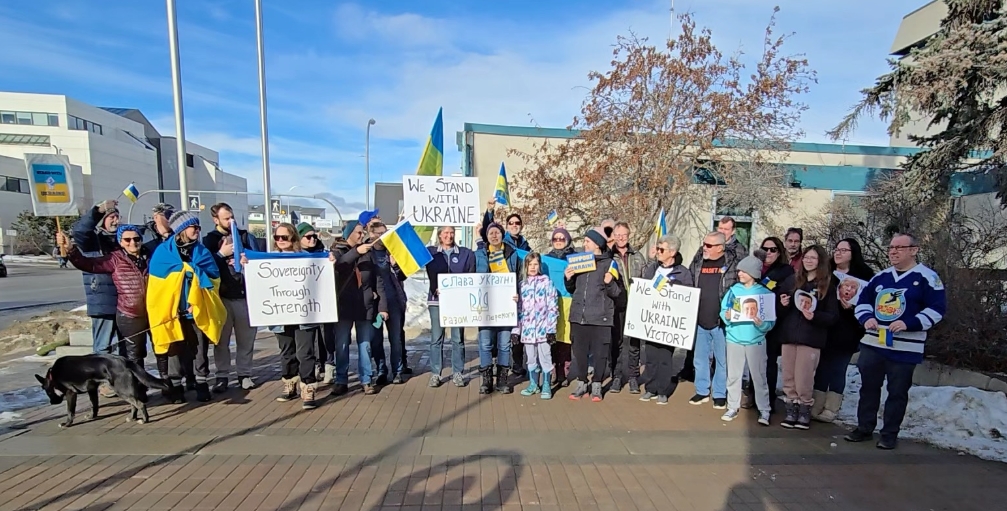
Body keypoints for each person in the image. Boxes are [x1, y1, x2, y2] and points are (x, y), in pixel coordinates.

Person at [845, 234, 946, 450]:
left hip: (905, 349)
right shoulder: (880, 278)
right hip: (874, 344)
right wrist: (866, 317)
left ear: (914, 250)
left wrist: (909, 323)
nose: (893, 251)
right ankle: (864, 428)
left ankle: (889, 434)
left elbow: (937, 309)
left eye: (900, 247)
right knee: (868, 388)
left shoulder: (927, 277)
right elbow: (863, 302)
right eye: (891, 247)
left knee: (897, 392)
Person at [241, 223, 327, 409]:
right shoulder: (268, 260)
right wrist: (247, 265)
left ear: (293, 239)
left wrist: (329, 262)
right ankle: (290, 384)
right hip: (281, 314)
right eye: (277, 237)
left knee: (305, 353)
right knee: (287, 352)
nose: (280, 241)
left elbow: (321, 274)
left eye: (284, 237)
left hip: (304, 315)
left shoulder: (307, 258)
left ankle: (308, 387)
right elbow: (257, 280)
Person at [146, 211, 226, 404]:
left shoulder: (202, 252)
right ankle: (176, 386)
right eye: (193, 227)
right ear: (182, 229)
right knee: (174, 348)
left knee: (199, 348)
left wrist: (198, 300)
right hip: (171, 311)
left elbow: (214, 279)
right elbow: (157, 286)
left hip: (196, 310)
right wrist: (171, 304)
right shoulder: (163, 252)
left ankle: (201, 384)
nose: (197, 231)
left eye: (198, 227)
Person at [58, 225, 152, 369]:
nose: (132, 243)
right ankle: (136, 388)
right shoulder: (115, 259)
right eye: (127, 240)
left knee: (161, 349)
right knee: (133, 355)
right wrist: (71, 249)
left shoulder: (150, 258)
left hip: (153, 312)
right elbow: (88, 264)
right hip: (129, 314)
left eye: (136, 238)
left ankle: (170, 384)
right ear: (120, 242)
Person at [813, 238, 875, 422]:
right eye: (836, 249)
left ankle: (831, 408)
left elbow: (870, 305)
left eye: (843, 250)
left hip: (848, 330)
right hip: (825, 328)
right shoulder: (826, 273)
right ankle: (816, 405)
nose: (838, 253)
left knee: (838, 369)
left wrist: (853, 308)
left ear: (853, 253)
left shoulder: (864, 276)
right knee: (822, 368)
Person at [778, 245, 838, 430]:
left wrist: (815, 317)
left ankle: (804, 410)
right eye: (806, 257)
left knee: (803, 377)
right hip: (790, 336)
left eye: (813, 258)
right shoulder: (793, 281)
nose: (808, 261)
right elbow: (780, 309)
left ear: (820, 261)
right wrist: (783, 303)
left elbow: (833, 316)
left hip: (810, 338)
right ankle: (791, 409)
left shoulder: (827, 285)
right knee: (788, 376)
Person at [203, 203, 259, 392]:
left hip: (245, 296)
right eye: (226, 218)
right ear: (215, 219)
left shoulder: (245, 236)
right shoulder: (209, 241)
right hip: (222, 297)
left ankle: (244, 373)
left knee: (246, 339)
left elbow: (259, 260)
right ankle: (222, 376)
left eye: (232, 217)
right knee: (221, 341)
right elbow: (204, 266)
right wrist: (221, 255)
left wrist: (248, 261)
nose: (231, 221)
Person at [71, 199, 122, 397]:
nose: (115, 220)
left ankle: (122, 380)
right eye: (110, 217)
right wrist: (99, 210)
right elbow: (80, 231)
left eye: (117, 216)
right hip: (102, 299)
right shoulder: (92, 240)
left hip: (125, 300)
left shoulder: (123, 239)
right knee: (103, 344)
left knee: (126, 345)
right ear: (102, 221)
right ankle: (103, 381)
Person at [564, 227, 621, 402]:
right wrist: (568, 278)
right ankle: (582, 383)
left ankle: (597, 384)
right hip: (579, 316)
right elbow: (572, 289)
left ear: (596, 244)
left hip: (600, 317)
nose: (584, 244)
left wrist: (609, 283)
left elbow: (617, 292)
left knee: (600, 353)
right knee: (579, 353)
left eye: (587, 241)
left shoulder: (610, 263)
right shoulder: (579, 261)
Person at [720, 250, 775, 425]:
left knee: (759, 377)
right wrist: (727, 317)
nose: (739, 273)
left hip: (755, 341)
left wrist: (761, 325)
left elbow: (770, 321)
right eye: (739, 271)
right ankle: (732, 406)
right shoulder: (733, 291)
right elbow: (724, 310)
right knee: (733, 375)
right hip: (734, 338)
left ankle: (764, 410)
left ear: (753, 273)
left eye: (743, 271)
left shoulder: (765, 294)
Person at [331, 217, 385, 396]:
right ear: (349, 234)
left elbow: (377, 280)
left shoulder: (368, 253)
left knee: (365, 344)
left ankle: (366, 380)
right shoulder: (337, 250)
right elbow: (339, 266)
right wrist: (356, 252)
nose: (362, 235)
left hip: (364, 305)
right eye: (359, 232)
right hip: (344, 305)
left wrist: (381, 304)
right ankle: (341, 379)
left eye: (363, 232)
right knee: (342, 344)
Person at [687, 231, 740, 409]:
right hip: (700, 319)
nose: (704, 248)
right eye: (704, 244)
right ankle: (702, 390)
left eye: (709, 246)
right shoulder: (698, 261)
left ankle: (719, 393)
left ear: (720, 247)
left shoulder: (732, 263)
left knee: (721, 359)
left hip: (721, 322)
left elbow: (737, 289)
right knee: (700, 359)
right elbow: (689, 281)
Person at [638, 235, 693, 405]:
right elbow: (644, 289)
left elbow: (688, 295)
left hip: (669, 324)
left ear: (672, 252)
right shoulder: (653, 268)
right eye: (658, 248)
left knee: (665, 358)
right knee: (651, 357)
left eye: (661, 250)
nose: (658, 252)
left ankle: (663, 390)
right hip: (652, 321)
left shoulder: (682, 272)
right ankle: (650, 388)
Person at [748, 236, 795, 413]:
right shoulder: (755, 269)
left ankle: (768, 400)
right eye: (765, 249)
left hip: (774, 324)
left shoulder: (786, 271)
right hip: (753, 322)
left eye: (773, 249)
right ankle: (752, 394)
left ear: (779, 252)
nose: (768, 253)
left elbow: (787, 297)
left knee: (768, 363)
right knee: (753, 361)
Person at [475, 222, 522, 394]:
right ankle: (486, 381)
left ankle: (502, 380)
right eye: (491, 233)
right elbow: (469, 277)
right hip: (485, 305)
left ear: (502, 235)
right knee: (485, 343)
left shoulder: (512, 254)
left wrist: (517, 294)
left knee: (504, 343)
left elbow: (518, 277)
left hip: (506, 305)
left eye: (497, 233)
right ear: (486, 236)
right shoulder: (479, 254)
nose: (494, 236)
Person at [425, 226, 475, 388]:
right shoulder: (431, 253)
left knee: (457, 338)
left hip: (457, 302)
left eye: (452, 233)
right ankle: (435, 373)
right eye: (445, 233)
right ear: (439, 235)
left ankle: (458, 372)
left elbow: (470, 275)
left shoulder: (465, 253)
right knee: (436, 338)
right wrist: (435, 288)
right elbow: (423, 267)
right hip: (436, 300)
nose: (449, 236)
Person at [608, 222, 647, 394]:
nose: (621, 238)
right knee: (616, 343)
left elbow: (647, 279)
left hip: (636, 305)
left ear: (629, 235)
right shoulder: (608, 257)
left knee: (634, 344)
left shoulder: (638, 256)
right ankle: (616, 376)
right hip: (616, 306)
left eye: (624, 234)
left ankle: (633, 377)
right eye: (618, 234)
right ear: (614, 236)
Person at [368, 221, 409, 385]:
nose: (383, 236)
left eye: (385, 232)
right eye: (379, 233)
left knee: (396, 338)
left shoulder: (392, 251)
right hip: (375, 304)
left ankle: (398, 370)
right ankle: (381, 370)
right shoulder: (367, 252)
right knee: (376, 339)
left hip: (394, 302)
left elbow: (403, 275)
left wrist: (396, 266)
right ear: (370, 234)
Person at [514, 252, 559, 399]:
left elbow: (553, 307)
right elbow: (518, 310)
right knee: (531, 358)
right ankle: (534, 383)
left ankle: (546, 384)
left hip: (543, 329)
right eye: (530, 265)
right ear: (525, 267)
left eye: (535, 264)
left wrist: (551, 329)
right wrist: (516, 330)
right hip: (527, 330)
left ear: (539, 266)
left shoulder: (547, 283)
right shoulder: (522, 285)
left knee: (545, 357)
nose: (533, 268)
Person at [297, 221, 335, 385]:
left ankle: (329, 365)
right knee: (308, 339)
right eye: (308, 236)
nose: (312, 239)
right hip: (303, 303)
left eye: (314, 236)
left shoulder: (324, 254)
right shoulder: (293, 255)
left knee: (326, 336)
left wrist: (333, 260)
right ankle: (315, 367)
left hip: (323, 301)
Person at [546, 226, 575, 386]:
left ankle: (564, 370)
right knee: (552, 337)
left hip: (569, 301)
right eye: (555, 239)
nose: (558, 241)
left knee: (566, 338)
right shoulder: (546, 258)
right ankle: (553, 370)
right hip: (551, 301)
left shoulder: (575, 258)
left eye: (561, 239)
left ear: (567, 240)